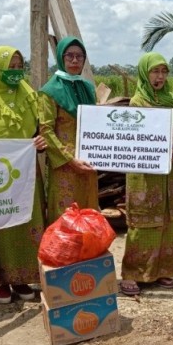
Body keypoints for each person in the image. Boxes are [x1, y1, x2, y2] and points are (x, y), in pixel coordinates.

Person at [0, 46, 47, 304]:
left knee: (27, 222)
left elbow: (39, 130)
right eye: (9, 67)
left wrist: (39, 141)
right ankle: (2, 280)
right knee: (1, 223)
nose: (15, 72)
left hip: (27, 170)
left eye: (18, 66)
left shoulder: (29, 95)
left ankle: (22, 278)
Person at [119, 52, 173, 296]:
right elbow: (140, 136)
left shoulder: (172, 100)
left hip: (169, 172)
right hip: (144, 172)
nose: (160, 76)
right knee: (143, 221)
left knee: (168, 220)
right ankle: (133, 273)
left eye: (164, 71)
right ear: (145, 73)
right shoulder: (137, 104)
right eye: (155, 71)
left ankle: (163, 270)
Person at [38, 36, 98, 224]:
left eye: (79, 56)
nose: (74, 61)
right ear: (61, 58)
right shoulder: (50, 91)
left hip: (88, 162)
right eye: (69, 56)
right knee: (66, 214)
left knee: (87, 211)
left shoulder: (87, 88)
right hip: (65, 166)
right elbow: (46, 130)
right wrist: (71, 160)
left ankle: (88, 252)